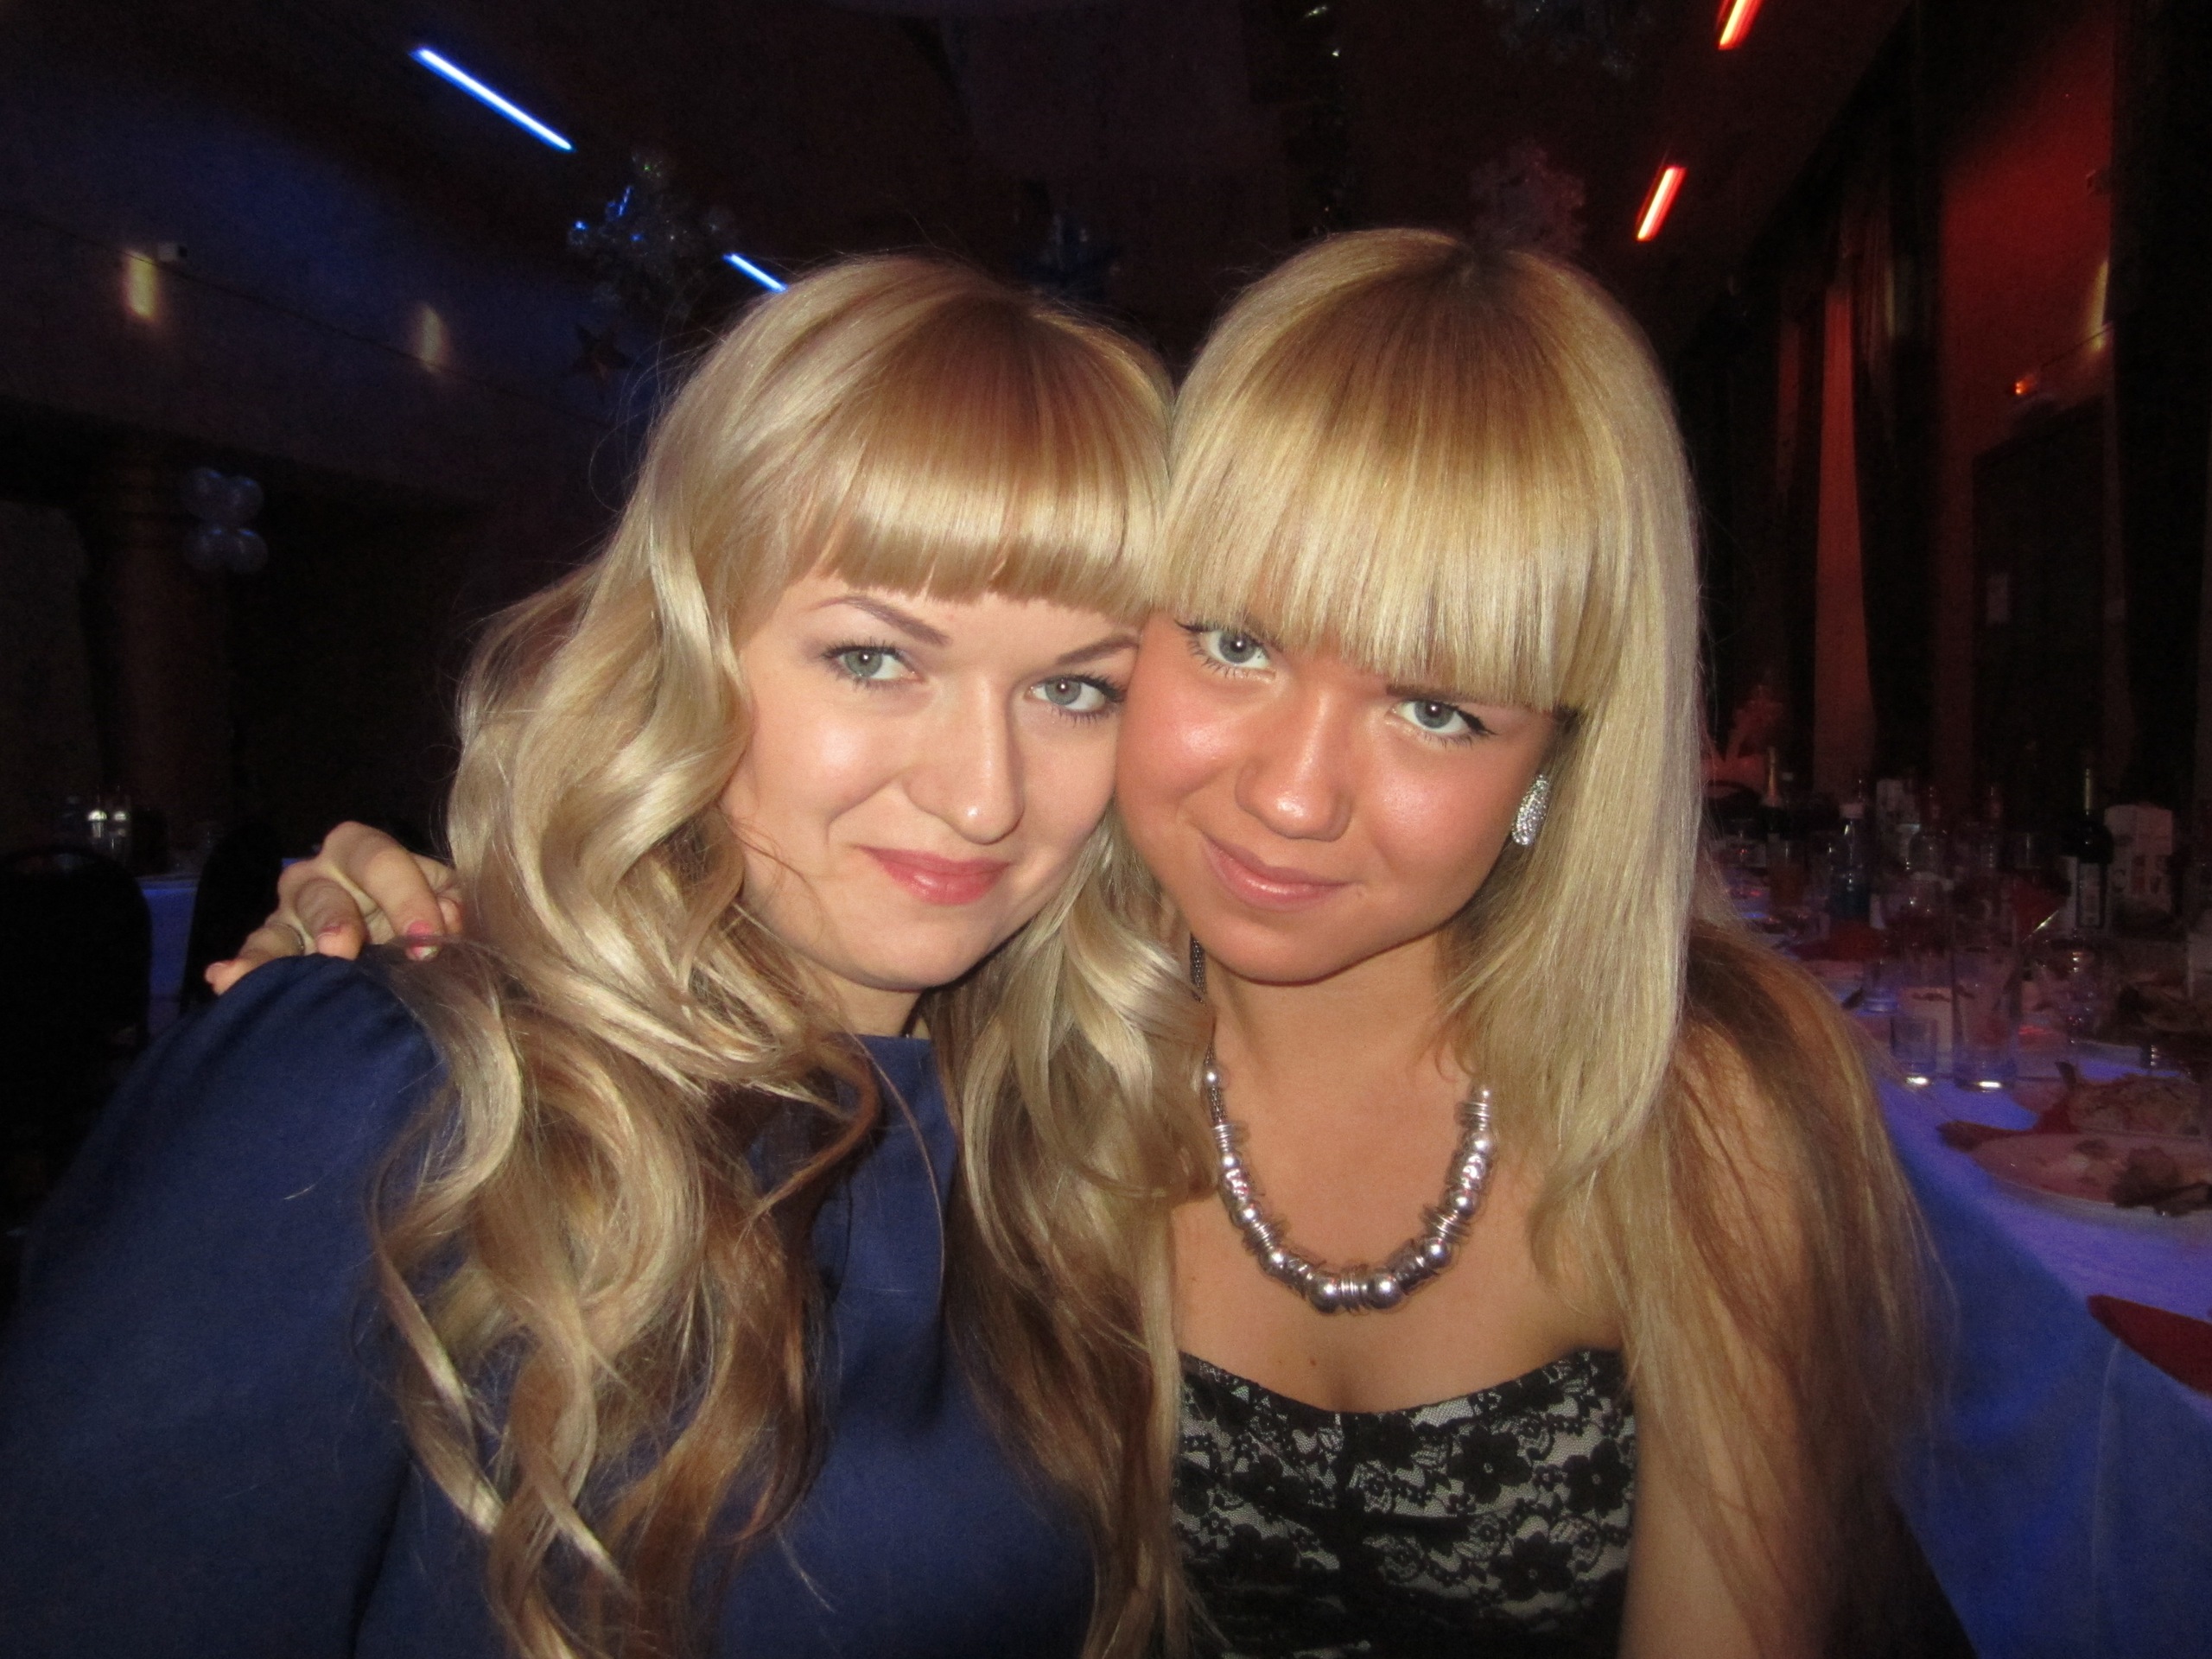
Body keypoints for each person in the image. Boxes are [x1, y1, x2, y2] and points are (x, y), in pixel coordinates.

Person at [212, 232, 1925, 1657]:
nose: (1294, 794)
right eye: (1236, 644)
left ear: (1556, 760)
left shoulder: (1695, 1106)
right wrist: (446, 938)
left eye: (1434, 706)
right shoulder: (1008, 1041)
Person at [0, 255, 1189, 1659]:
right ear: (688, 646)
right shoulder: (386, 1104)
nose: (984, 794)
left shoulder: (1069, 1144)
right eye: (875, 658)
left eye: (1074, 688)